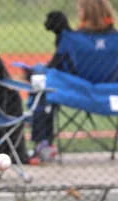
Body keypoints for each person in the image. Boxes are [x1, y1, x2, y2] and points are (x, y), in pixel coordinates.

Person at [29, 0, 116, 164]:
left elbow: (56, 67)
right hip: (111, 94)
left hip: (77, 91)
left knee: (42, 77)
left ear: (84, 13)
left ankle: (43, 143)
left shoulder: (70, 39)